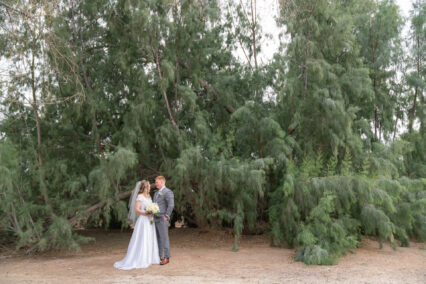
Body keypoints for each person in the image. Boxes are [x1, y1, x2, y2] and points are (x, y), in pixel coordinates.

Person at [113, 180, 160, 269]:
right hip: (143, 220)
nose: (150, 187)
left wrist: (153, 211)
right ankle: (141, 258)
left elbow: (150, 207)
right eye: (149, 186)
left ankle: (149, 258)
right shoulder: (140, 196)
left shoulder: (149, 196)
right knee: (143, 238)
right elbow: (137, 209)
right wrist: (146, 213)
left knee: (150, 237)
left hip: (150, 220)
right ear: (145, 187)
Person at [154, 176, 174, 265]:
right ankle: (159, 256)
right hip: (155, 218)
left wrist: (167, 216)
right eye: (155, 182)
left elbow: (171, 205)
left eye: (157, 182)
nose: (155, 184)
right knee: (158, 239)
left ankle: (167, 257)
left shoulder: (168, 192)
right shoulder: (156, 193)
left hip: (162, 218)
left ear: (162, 182)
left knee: (164, 238)